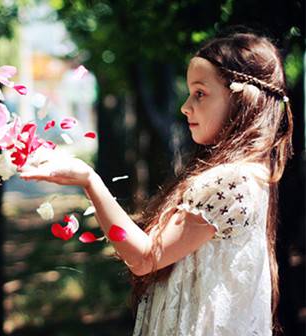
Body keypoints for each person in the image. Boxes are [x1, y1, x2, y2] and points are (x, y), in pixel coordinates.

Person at [18, 30, 293, 335]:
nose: (185, 106)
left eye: (200, 93)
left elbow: (145, 257)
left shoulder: (230, 181)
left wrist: (89, 181)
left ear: (243, 101)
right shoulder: (250, 174)